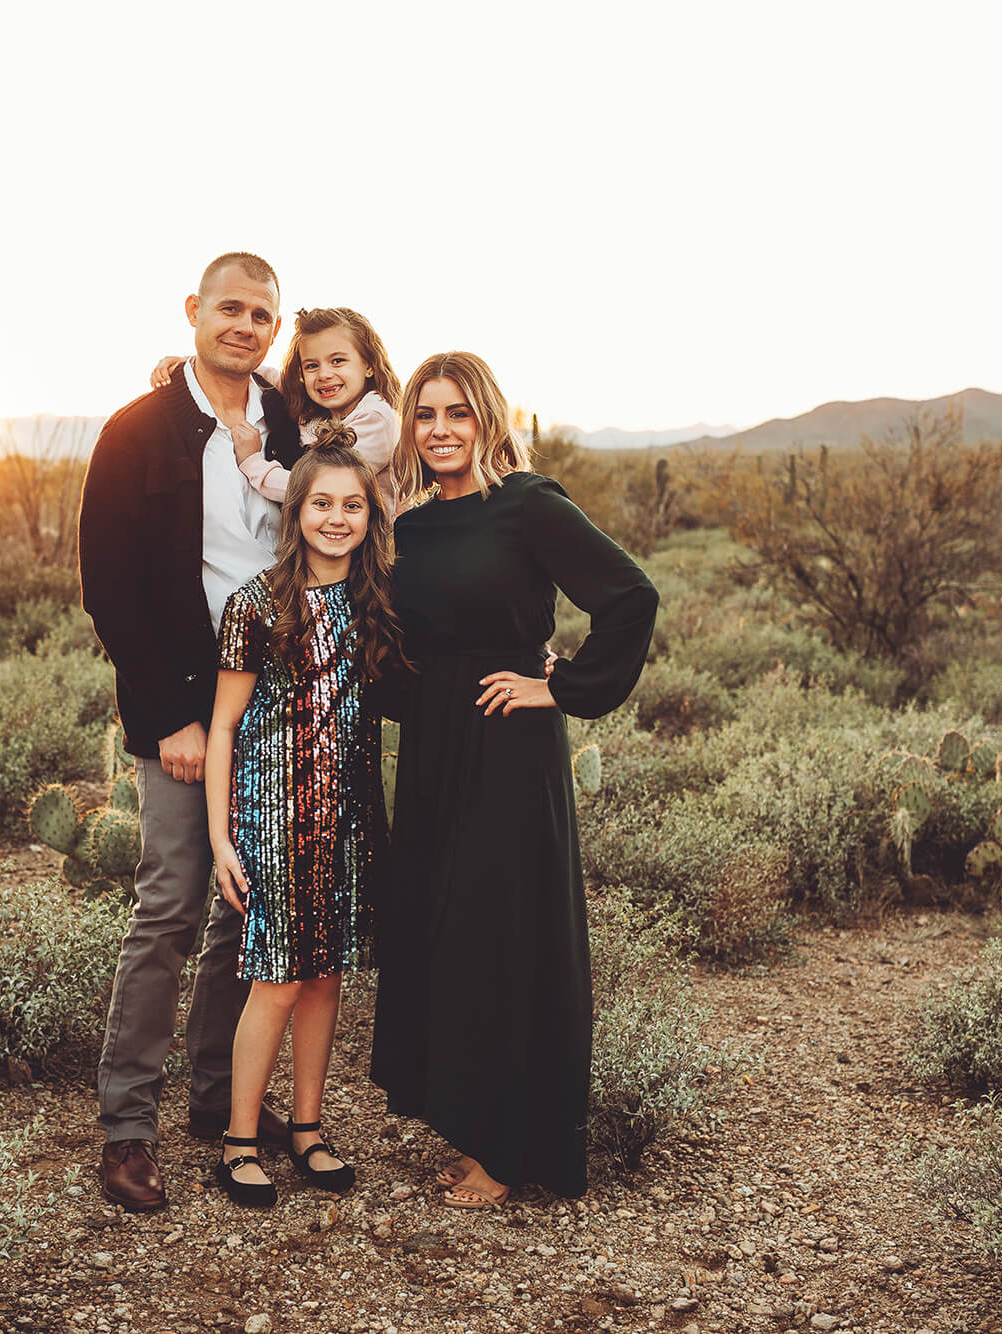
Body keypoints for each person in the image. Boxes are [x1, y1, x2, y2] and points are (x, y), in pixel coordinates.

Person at [368, 351, 658, 1207]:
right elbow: (401, 643)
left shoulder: (529, 506)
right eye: (426, 415)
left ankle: (515, 1147)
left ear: (488, 419)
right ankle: (469, 1120)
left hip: (509, 742)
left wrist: (558, 687)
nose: (441, 430)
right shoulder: (410, 528)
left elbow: (630, 595)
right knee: (445, 928)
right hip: (431, 745)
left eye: (457, 413)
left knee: (505, 932)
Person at [78, 251, 304, 1213]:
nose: (245, 326)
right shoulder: (138, 432)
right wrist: (169, 713)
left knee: (245, 913)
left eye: (262, 314)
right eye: (231, 309)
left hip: (274, 701)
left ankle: (219, 1105)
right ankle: (128, 1129)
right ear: (193, 312)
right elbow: (109, 585)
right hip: (184, 707)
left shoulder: (288, 424)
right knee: (171, 906)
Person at [203, 433, 402, 1206]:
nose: (337, 518)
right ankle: (239, 1139)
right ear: (296, 511)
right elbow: (223, 726)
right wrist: (222, 838)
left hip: (347, 816)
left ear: (370, 516)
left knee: (324, 981)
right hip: (275, 815)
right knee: (278, 984)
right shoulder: (256, 603)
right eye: (322, 503)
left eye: (353, 505)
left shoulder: (375, 600)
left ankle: (309, 1130)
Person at [151, 306, 403, 516]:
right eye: (312, 365)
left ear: (368, 365)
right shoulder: (318, 408)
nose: (324, 374)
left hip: (366, 555)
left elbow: (319, 488)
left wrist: (252, 462)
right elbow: (266, 375)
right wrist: (195, 364)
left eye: (338, 361)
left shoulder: (376, 419)